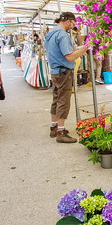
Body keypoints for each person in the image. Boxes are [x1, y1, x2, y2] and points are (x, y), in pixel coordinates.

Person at [44, 12, 87, 143]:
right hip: (63, 71)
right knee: (63, 100)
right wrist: (85, 47)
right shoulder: (62, 34)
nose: (73, 27)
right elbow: (69, 56)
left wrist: (78, 49)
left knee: (56, 99)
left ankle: (54, 127)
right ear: (68, 21)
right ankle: (61, 132)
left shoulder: (51, 33)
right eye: (73, 24)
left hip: (55, 71)